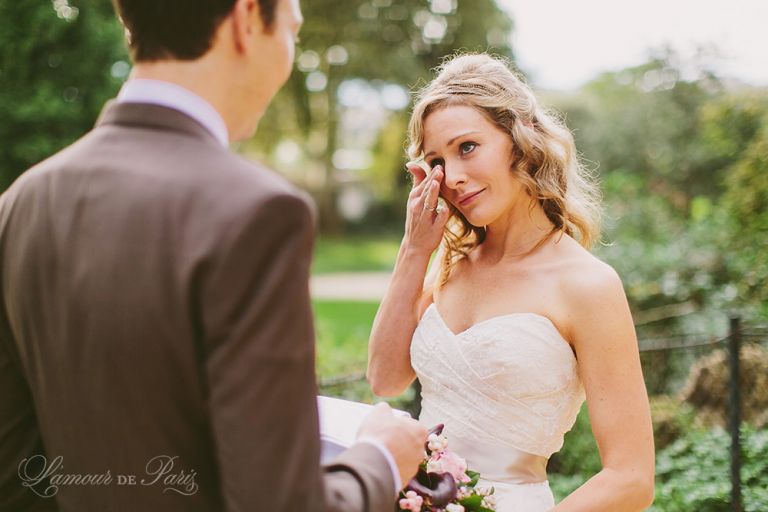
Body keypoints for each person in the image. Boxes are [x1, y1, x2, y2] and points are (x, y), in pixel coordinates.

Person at [0, 0, 427, 511]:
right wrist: (380, 457)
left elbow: (14, 473)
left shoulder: (21, 201)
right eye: (291, 30)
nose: (289, 56)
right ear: (248, 18)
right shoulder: (257, 212)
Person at [367, 53, 655, 511]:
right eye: (437, 160)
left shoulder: (587, 285)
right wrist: (414, 249)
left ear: (519, 141)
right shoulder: (449, 264)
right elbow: (385, 378)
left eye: (467, 147)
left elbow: (632, 478)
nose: (454, 177)